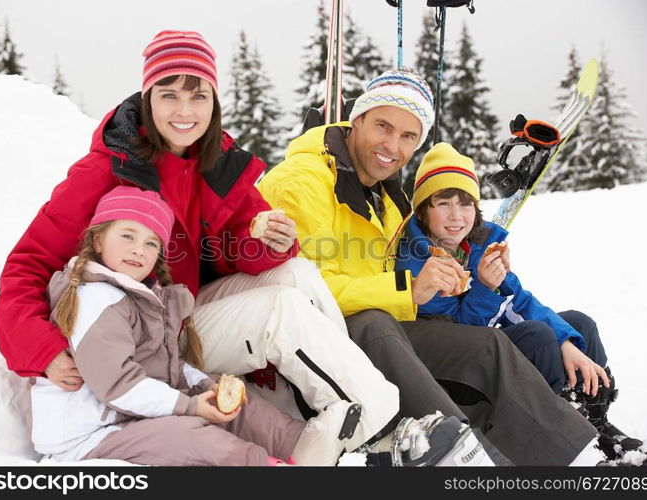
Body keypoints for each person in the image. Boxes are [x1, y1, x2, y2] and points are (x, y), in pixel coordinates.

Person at [0, 31, 487, 466]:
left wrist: (270, 242)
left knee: (296, 274)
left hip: (180, 316)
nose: (184, 112)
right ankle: (376, 429)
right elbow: (26, 265)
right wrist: (40, 349)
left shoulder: (216, 164)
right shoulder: (108, 170)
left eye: (198, 96)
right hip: (138, 336)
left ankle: (346, 412)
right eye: (169, 96)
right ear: (148, 101)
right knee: (280, 308)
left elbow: (243, 253)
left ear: (214, 102)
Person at [258, 67, 611, 466]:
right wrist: (410, 289)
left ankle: (583, 450)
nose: (393, 145)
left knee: (522, 339)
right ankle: (466, 453)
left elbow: (515, 297)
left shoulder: (387, 199)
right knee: (480, 342)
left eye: (408, 136)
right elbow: (305, 287)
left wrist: (465, 282)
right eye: (383, 127)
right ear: (356, 120)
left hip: (385, 320)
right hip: (330, 337)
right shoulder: (303, 181)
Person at [395, 141, 646, 460]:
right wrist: (485, 289)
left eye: (466, 204)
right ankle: (565, 428)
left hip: (489, 344)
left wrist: (566, 340)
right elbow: (463, 339)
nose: (457, 216)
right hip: (459, 372)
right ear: (424, 210)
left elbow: (519, 300)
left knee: (579, 324)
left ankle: (595, 420)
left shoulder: (475, 244)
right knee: (538, 338)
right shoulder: (415, 261)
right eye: (444, 203)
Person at [33, 186, 309, 465]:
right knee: (190, 437)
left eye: (152, 243)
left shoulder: (143, 298)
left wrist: (201, 385)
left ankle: (299, 442)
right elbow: (118, 385)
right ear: (98, 241)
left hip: (130, 415)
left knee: (223, 393)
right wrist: (190, 406)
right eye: (128, 235)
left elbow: (164, 366)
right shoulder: (94, 299)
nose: (139, 250)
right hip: (90, 433)